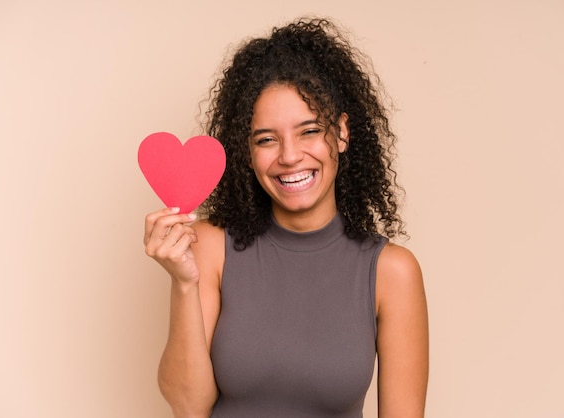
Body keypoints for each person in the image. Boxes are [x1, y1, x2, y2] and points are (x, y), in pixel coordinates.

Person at [143, 17, 428, 418]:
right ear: (247, 150)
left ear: (343, 133)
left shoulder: (391, 271)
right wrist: (183, 284)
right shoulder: (209, 247)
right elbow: (188, 407)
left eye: (309, 131)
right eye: (266, 139)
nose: (290, 156)